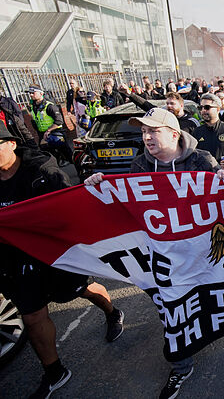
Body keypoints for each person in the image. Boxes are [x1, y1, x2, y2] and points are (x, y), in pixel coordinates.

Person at [84, 107, 218, 398]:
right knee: (172, 309)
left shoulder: (201, 161)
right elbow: (130, 205)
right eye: (143, 132)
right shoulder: (140, 166)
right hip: (163, 255)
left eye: (153, 131)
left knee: (206, 302)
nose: (146, 137)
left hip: (201, 252)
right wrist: (99, 187)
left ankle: (205, 333)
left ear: (173, 134)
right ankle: (181, 365)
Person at [0, 123, 124, 398]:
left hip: (54, 251)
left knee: (81, 290)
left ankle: (112, 312)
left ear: (11, 144)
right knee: (32, 316)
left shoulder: (42, 171)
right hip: (17, 258)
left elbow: (70, 208)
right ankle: (55, 372)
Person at [122, 86, 201, 135]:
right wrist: (130, 94)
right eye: (167, 103)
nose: (169, 106)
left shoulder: (191, 122)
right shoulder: (164, 117)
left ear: (181, 105)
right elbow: (146, 105)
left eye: (172, 104)